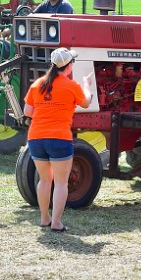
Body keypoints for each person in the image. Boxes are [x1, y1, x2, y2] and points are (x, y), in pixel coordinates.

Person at [23, 47, 93, 233]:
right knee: (61, 182)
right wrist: (87, 85)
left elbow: (27, 112)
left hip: (36, 137)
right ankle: (56, 223)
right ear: (69, 66)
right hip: (60, 137)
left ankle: (44, 219)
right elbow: (86, 103)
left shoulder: (37, 84)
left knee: (45, 180)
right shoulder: (72, 86)